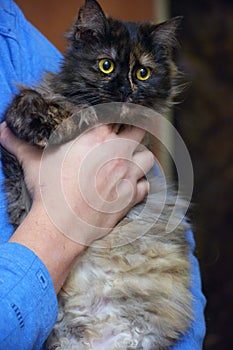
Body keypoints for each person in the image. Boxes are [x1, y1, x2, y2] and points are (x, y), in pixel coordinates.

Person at [0, 1, 206, 349]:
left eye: (141, 74)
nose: (125, 88)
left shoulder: (17, 37)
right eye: (107, 66)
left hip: (141, 307)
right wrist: (58, 225)